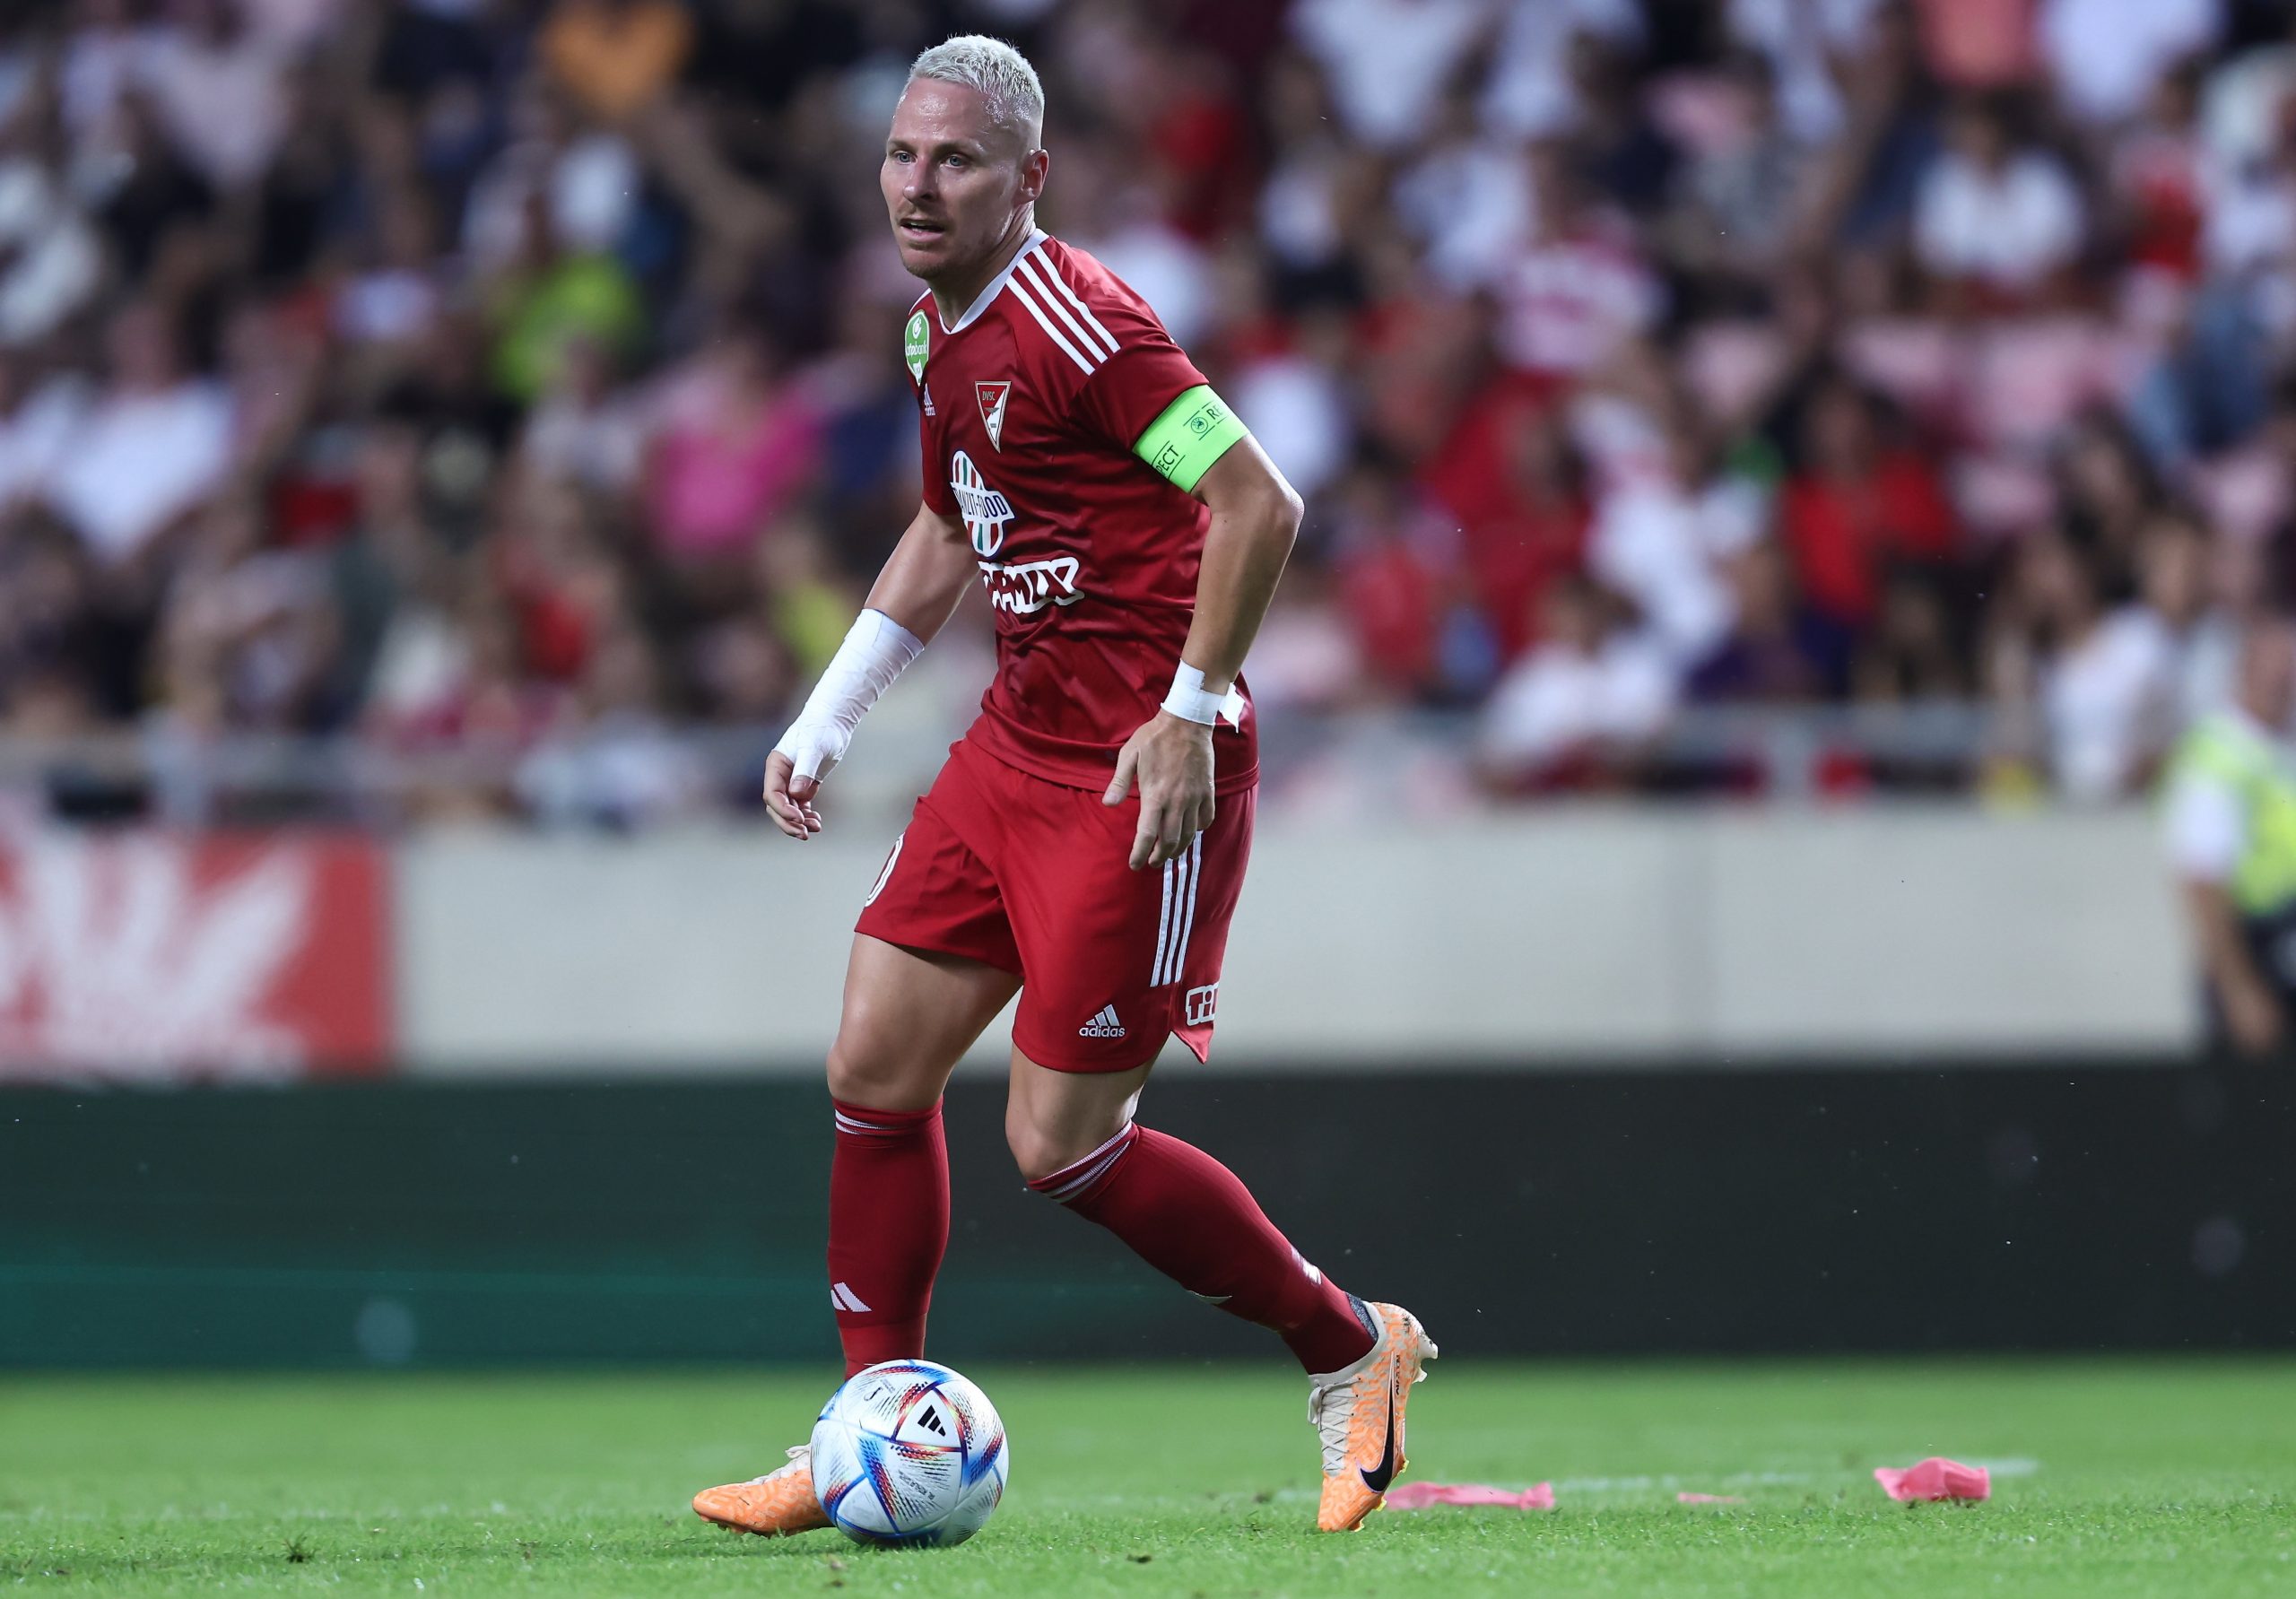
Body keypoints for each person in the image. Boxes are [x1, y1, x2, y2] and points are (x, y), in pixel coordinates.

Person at [689, 37, 1434, 1538]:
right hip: (1017, 742)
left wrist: (1189, 707)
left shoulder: (1084, 324)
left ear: (1029, 176)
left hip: (1141, 766)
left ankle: (1352, 1344)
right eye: (903, 155)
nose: (918, 185)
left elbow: (1259, 500)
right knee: (873, 1062)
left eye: (955, 160)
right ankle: (866, 1424)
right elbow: (948, 528)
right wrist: (828, 716)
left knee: (1060, 1145)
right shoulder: (934, 334)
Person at [2161, 619, 2296, 1056]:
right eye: (2275, 674)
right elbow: (2203, 882)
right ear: (2245, 670)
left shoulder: (2278, 746)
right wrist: (2239, 989)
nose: (2282, 686)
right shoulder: (2217, 756)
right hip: (2258, 950)